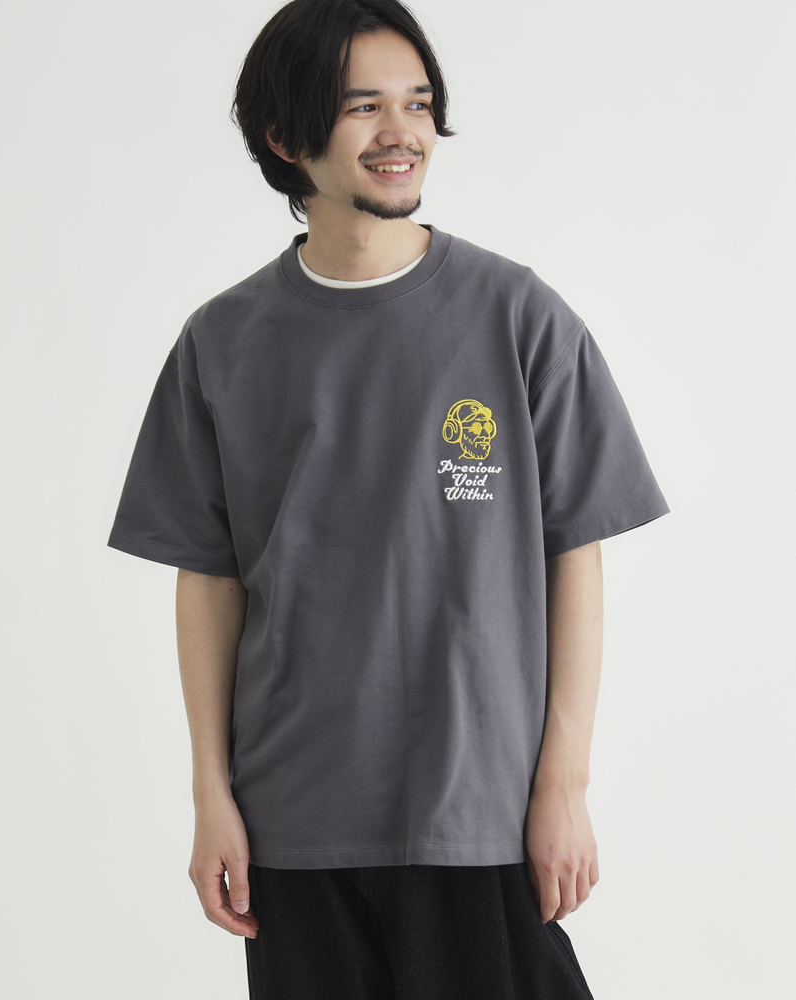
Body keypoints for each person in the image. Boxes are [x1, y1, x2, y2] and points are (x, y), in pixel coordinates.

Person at [107, 1, 670, 996]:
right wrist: (211, 795)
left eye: (417, 102)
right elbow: (209, 579)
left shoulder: (516, 317)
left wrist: (562, 784)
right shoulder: (222, 343)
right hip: (294, 819)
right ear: (285, 137)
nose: (401, 131)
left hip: (475, 813)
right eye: (362, 106)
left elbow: (573, 554)